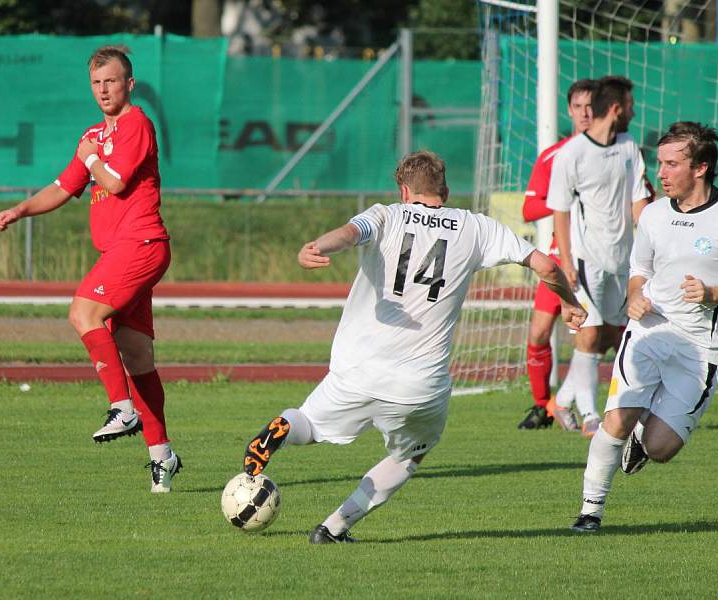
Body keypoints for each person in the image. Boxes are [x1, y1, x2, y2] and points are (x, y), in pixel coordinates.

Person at [239, 151, 587, 543]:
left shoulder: (386, 214)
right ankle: (333, 528)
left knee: (307, 423)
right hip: (419, 386)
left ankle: (284, 430)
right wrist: (569, 302)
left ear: (404, 190)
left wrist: (317, 247)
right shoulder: (476, 227)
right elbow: (546, 267)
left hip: (356, 370)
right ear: (446, 190)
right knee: (410, 455)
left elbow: (350, 234)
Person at [0, 45, 181, 493]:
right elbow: (63, 186)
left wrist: (92, 156)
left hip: (141, 243)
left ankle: (122, 408)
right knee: (138, 358)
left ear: (129, 84)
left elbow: (113, 182)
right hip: (122, 250)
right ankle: (163, 456)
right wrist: (21, 210)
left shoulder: (136, 124)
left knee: (82, 313)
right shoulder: (94, 134)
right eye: (96, 83)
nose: (103, 89)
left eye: (111, 81)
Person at [571, 122, 718, 532]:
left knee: (661, 448)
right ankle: (590, 512)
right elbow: (639, 270)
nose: (660, 173)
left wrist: (714, 293)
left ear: (700, 168)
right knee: (616, 418)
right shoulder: (655, 215)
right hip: (648, 330)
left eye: (671, 164)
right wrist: (634, 296)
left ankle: (642, 440)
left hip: (701, 347)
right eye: (659, 163)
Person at [546, 76, 654, 438]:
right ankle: (591, 415)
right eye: (631, 105)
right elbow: (559, 211)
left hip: (621, 259)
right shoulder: (572, 154)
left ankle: (562, 399)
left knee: (611, 336)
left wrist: (657, 233)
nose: (634, 111)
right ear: (616, 108)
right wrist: (564, 259)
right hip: (584, 258)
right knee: (589, 336)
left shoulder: (628, 146)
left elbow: (639, 200)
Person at [517, 78, 595, 430]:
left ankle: (595, 406)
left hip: (599, 257)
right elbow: (529, 208)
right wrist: (564, 197)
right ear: (569, 111)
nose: (585, 113)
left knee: (597, 335)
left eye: (591, 106)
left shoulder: (618, 154)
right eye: (578, 107)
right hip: (558, 257)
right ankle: (543, 406)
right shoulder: (554, 156)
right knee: (538, 333)